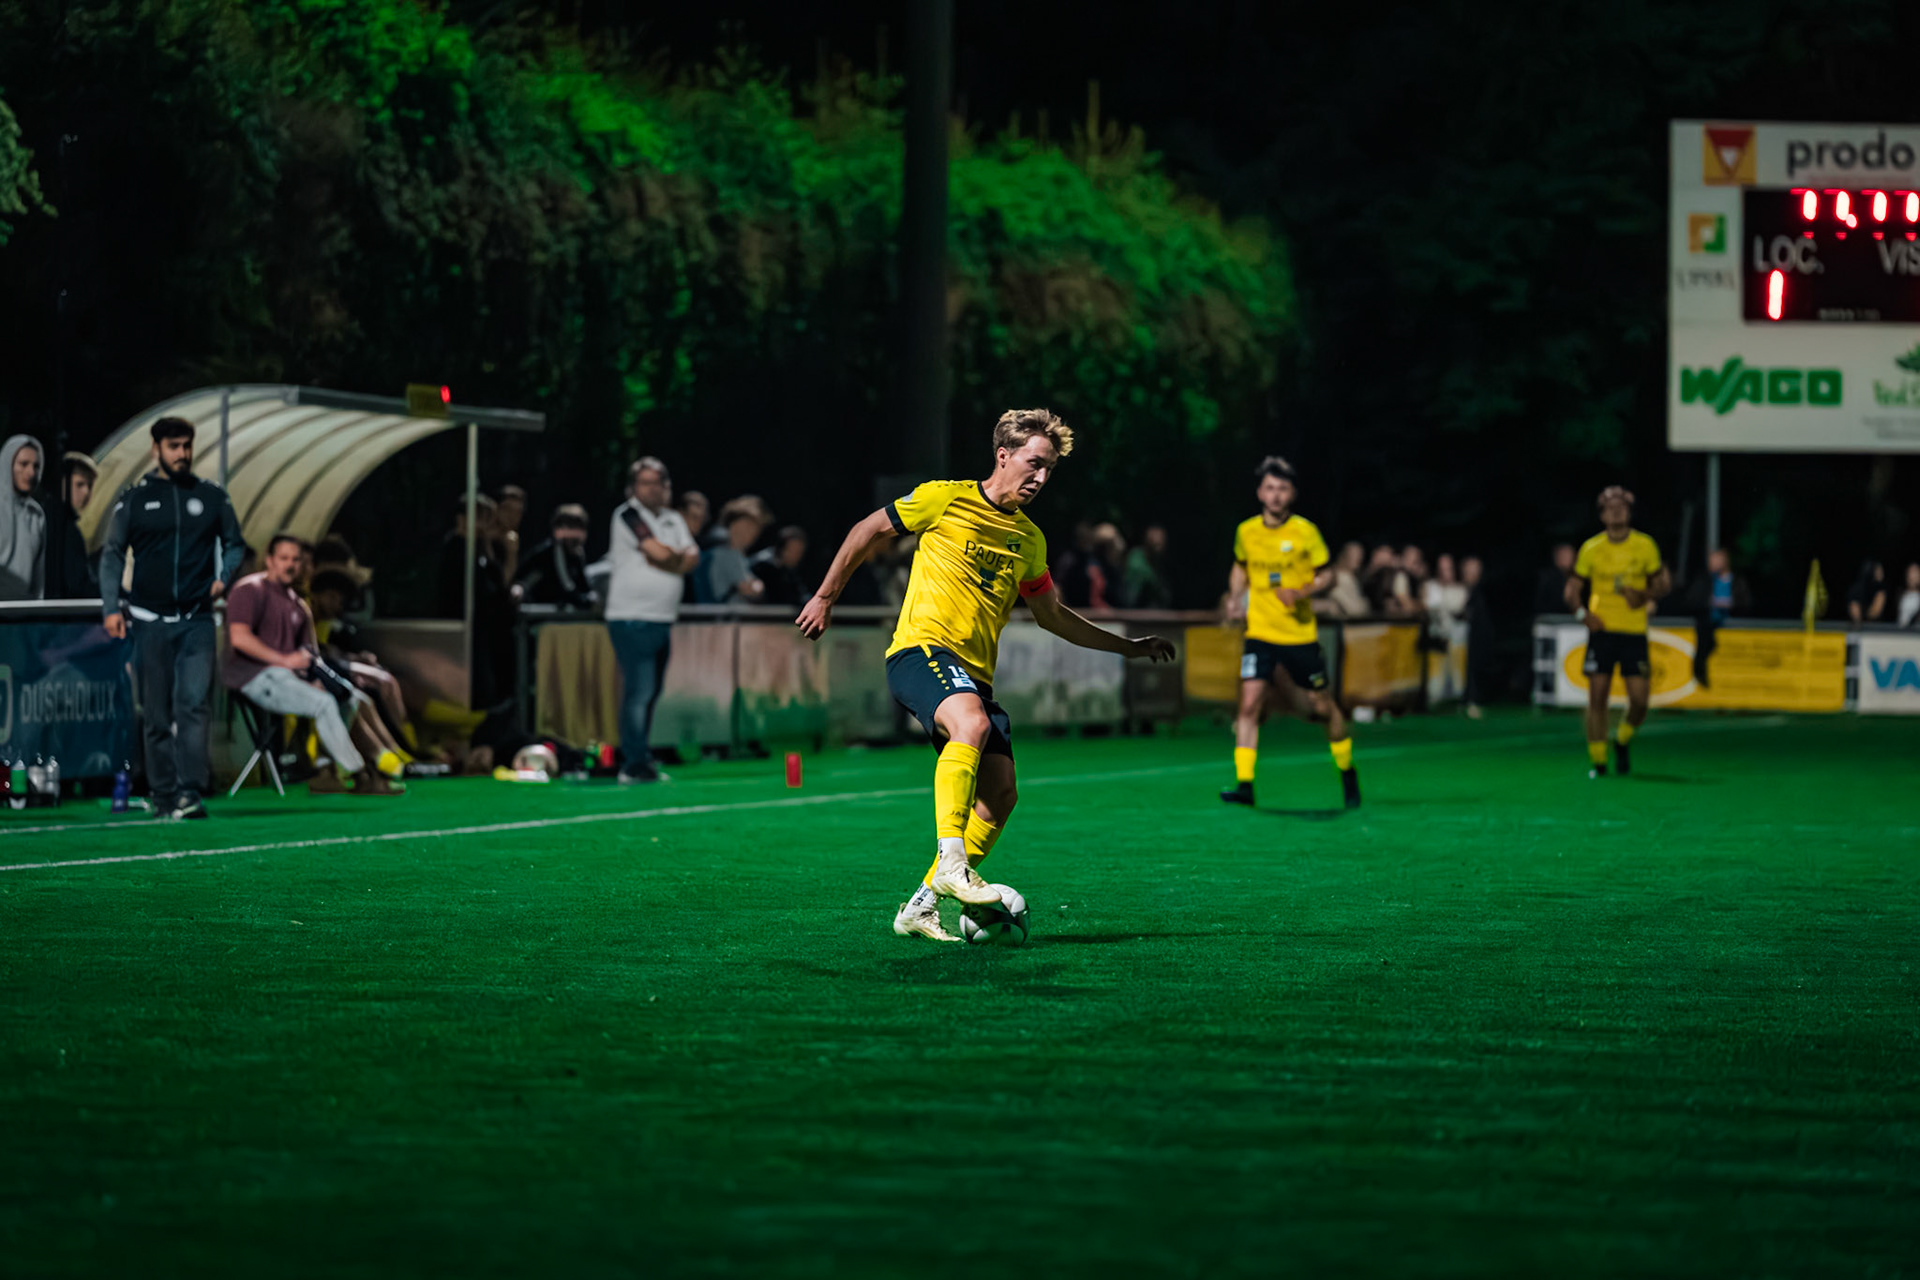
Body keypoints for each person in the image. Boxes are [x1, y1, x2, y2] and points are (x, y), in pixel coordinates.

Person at [796, 408, 1174, 942]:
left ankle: (921, 905)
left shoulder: (1029, 540)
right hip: (920, 651)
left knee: (1000, 795)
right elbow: (868, 529)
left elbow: (1052, 616)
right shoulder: (944, 498)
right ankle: (952, 863)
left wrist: (1127, 648)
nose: (1040, 477)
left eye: (1049, 469)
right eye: (1034, 463)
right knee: (970, 725)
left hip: (973, 677)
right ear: (1003, 455)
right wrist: (824, 596)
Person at [99, 417, 246, 820]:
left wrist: (223, 577)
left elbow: (235, 544)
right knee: (156, 713)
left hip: (198, 621)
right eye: (174, 446)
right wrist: (110, 607)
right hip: (149, 621)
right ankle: (163, 794)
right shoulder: (134, 500)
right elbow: (112, 554)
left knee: (194, 706)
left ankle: (190, 792)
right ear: (156, 449)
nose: (182, 454)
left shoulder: (211, 497)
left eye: (187, 446)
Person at [1220, 456, 1361, 812]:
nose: (1276, 495)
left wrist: (1302, 591)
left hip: (1298, 636)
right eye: (1270, 488)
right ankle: (1245, 784)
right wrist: (1235, 598)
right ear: (1260, 493)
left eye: (1282, 488)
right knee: (1249, 704)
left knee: (1322, 707)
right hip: (1260, 633)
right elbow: (1240, 567)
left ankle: (1347, 772)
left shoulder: (1305, 532)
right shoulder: (1246, 531)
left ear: (1292, 494)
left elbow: (1328, 574)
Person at [225, 536, 399, 796]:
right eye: (284, 558)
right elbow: (240, 638)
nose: (290, 565)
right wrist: (285, 661)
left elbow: (311, 653)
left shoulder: (298, 604)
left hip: (288, 677)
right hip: (254, 675)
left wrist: (316, 677)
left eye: (296, 560)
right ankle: (360, 773)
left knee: (348, 698)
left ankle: (326, 769)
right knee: (323, 704)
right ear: (269, 560)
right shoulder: (250, 590)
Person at [605, 457, 698, 783]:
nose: (651, 489)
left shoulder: (673, 519)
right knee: (639, 692)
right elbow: (660, 552)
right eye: (644, 482)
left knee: (652, 692)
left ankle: (642, 757)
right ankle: (633, 763)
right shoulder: (627, 515)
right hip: (632, 618)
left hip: (662, 618)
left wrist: (668, 558)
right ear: (633, 487)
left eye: (656, 482)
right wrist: (672, 557)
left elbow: (691, 558)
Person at [1566, 485, 1670, 778]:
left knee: (1640, 701)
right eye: (1610, 507)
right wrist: (1582, 615)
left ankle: (1622, 739)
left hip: (1633, 631)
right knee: (1597, 697)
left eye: (1621, 506)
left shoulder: (1645, 545)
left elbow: (1662, 584)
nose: (1615, 511)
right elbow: (1572, 590)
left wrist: (1644, 596)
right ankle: (1598, 762)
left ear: (1629, 512)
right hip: (1603, 631)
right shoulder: (1591, 548)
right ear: (1602, 515)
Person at [1684, 548, 1751, 688]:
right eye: (1711, 560)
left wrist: (1731, 604)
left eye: (1716, 560)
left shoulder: (1737, 581)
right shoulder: (1704, 580)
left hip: (1733, 625)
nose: (1712, 563)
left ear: (1725, 561)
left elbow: (1746, 603)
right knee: (1705, 640)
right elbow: (1691, 601)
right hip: (1708, 624)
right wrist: (1709, 603)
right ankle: (1700, 674)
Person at [41, 451, 99, 600]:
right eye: (79, 484)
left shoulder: (54, 519)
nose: (86, 492)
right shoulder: (62, 528)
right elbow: (76, 583)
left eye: (89, 485)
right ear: (62, 483)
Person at [517, 504, 596, 610]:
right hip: (539, 612)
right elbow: (566, 588)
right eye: (571, 527)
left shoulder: (577, 554)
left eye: (580, 527)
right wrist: (587, 602)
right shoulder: (547, 554)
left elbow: (584, 587)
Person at [0, 434, 46, 601]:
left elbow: (38, 575)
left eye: (36, 466)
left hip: (23, 610)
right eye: (23, 464)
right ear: (8, 464)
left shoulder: (37, 515)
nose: (31, 472)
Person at [703, 497, 770, 604]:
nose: (753, 533)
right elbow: (749, 588)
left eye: (757, 528)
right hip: (723, 612)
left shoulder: (738, 555)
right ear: (733, 524)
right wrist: (754, 586)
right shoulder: (725, 553)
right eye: (748, 525)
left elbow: (755, 585)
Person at [1460, 555, 1493, 718]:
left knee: (1476, 667)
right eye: (1470, 570)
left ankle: (1473, 699)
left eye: (1476, 570)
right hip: (1464, 638)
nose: (1474, 574)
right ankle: (1468, 700)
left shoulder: (1482, 591)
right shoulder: (1463, 590)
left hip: (1479, 637)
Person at [750, 525, 811, 607]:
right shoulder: (762, 567)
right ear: (781, 549)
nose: (797, 556)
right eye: (793, 551)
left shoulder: (791, 571)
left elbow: (800, 595)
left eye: (800, 552)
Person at [1123, 524, 1172, 609]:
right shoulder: (1136, 560)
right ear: (1147, 540)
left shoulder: (1159, 563)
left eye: (1161, 543)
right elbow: (1131, 599)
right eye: (1155, 544)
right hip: (1136, 612)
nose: (1158, 544)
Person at [1317, 540, 1369, 617]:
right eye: (1353, 555)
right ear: (1343, 555)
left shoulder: (1354, 578)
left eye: (1360, 555)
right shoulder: (1330, 575)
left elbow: (1360, 608)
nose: (1358, 559)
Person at [1535, 543, 1576, 615]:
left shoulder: (1578, 578)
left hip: (1572, 618)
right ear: (1556, 557)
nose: (1566, 558)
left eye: (1568, 555)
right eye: (1563, 555)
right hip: (1551, 617)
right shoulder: (1546, 577)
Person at [1848, 560, 1887, 626]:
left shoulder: (1880, 591)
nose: (1881, 573)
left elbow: (1875, 613)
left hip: (1876, 627)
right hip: (1860, 627)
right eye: (1878, 570)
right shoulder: (1857, 590)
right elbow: (1855, 613)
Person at [1898, 562, 1920, 628]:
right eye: (1910, 573)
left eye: (1915, 573)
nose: (1912, 577)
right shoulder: (1900, 595)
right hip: (1900, 632)